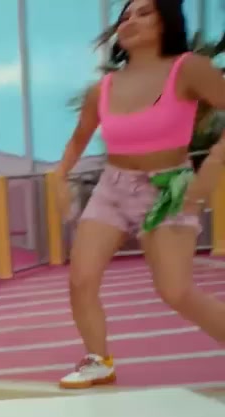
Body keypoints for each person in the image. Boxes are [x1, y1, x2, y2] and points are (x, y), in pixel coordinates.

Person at [54, 0, 225, 389]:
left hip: (169, 188)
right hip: (112, 187)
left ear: (166, 21)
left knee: (176, 291)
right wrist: (59, 177)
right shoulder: (103, 88)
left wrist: (210, 171)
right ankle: (98, 360)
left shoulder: (189, 68)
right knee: (81, 279)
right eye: (125, 15)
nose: (130, 20)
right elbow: (79, 138)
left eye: (144, 12)